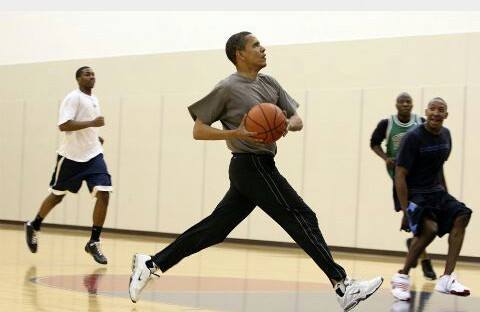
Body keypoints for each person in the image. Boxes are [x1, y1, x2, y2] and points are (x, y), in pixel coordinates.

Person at [128, 31, 383, 312]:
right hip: (249, 164)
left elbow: (296, 118)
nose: (263, 49)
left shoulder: (270, 84)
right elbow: (198, 129)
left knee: (216, 229)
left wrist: (287, 123)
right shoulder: (227, 88)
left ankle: (152, 263)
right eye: (256, 45)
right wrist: (236, 131)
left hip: (260, 166)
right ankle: (342, 285)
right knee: (302, 216)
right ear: (240, 54)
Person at [24, 66, 113, 265]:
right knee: (57, 195)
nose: (91, 76)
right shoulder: (73, 98)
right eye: (87, 74)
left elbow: (85, 125)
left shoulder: (93, 99)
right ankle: (34, 224)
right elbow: (64, 125)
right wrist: (92, 124)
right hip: (71, 157)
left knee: (104, 191)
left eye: (93, 74)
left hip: (93, 154)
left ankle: (94, 241)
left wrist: (95, 137)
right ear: (78, 79)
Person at [391, 97, 472, 301]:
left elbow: (438, 167)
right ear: (426, 112)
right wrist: (405, 210)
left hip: (436, 191)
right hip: (414, 191)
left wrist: (446, 195)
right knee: (430, 230)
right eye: (433, 109)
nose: (436, 113)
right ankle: (401, 277)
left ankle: (446, 278)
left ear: (446, 115)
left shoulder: (446, 135)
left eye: (441, 110)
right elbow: (400, 175)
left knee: (462, 215)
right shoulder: (413, 138)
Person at [370, 92, 436, 280]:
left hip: (420, 178)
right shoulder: (387, 124)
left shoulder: (421, 122)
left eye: (408, 102)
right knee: (417, 219)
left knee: (419, 219)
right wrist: (385, 158)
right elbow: (374, 143)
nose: (405, 104)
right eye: (402, 102)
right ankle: (423, 260)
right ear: (396, 105)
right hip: (400, 179)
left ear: (413, 105)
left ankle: (419, 256)